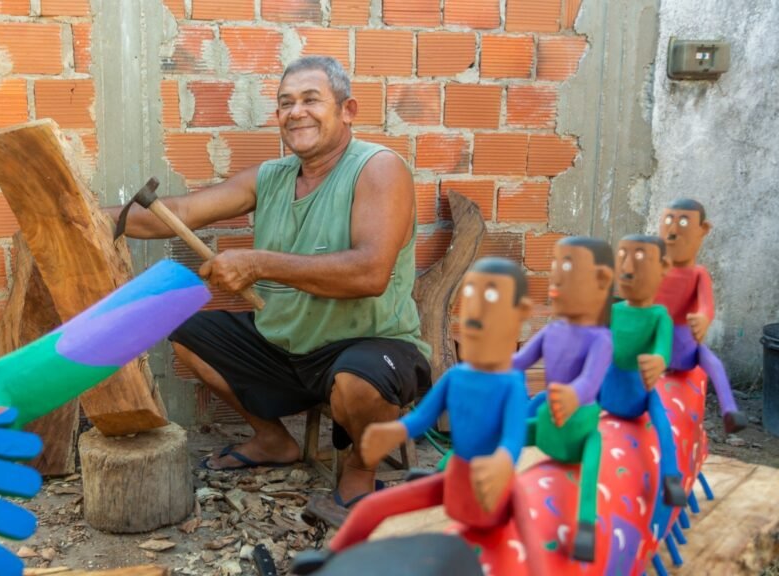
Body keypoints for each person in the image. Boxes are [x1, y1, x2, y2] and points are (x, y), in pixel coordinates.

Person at [109, 56, 431, 507]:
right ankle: (272, 440)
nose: (295, 111)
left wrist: (259, 264)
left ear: (348, 110)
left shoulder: (377, 168)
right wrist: (93, 219)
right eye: (285, 103)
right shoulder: (272, 177)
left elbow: (370, 272)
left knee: (361, 381)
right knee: (188, 332)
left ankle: (361, 466)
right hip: (285, 344)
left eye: (310, 100)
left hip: (368, 341)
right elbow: (178, 214)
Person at [291, 258, 536, 575]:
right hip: (455, 477)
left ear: (520, 313)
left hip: (495, 485)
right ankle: (333, 555)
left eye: (490, 298)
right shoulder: (456, 376)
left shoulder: (511, 386)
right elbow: (421, 419)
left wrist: (502, 461)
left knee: (527, 533)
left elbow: (513, 438)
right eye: (471, 295)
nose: (476, 309)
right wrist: (393, 432)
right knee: (375, 506)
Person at [512, 236, 614, 562]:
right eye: (555, 264)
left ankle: (585, 524)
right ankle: (447, 470)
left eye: (567, 265)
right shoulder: (550, 331)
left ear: (601, 281)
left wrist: (573, 395)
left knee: (592, 465)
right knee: (503, 432)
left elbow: (589, 381)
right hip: (546, 423)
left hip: (579, 432)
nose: (555, 275)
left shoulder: (602, 340)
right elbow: (518, 362)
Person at [599, 235, 686, 513]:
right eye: (622, 255)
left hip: (639, 394)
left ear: (663, 267)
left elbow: (663, 349)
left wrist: (658, 361)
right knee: (550, 397)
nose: (626, 265)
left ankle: (671, 478)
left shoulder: (659, 316)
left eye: (638, 257)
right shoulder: (611, 310)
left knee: (663, 425)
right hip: (606, 389)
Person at [655, 198, 745, 432]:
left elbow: (707, 305)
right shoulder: (655, 269)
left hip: (686, 345)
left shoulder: (698, 274)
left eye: (683, 221)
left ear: (703, 230)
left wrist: (703, 318)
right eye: (668, 220)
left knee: (713, 363)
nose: (673, 230)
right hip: (656, 342)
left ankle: (729, 411)